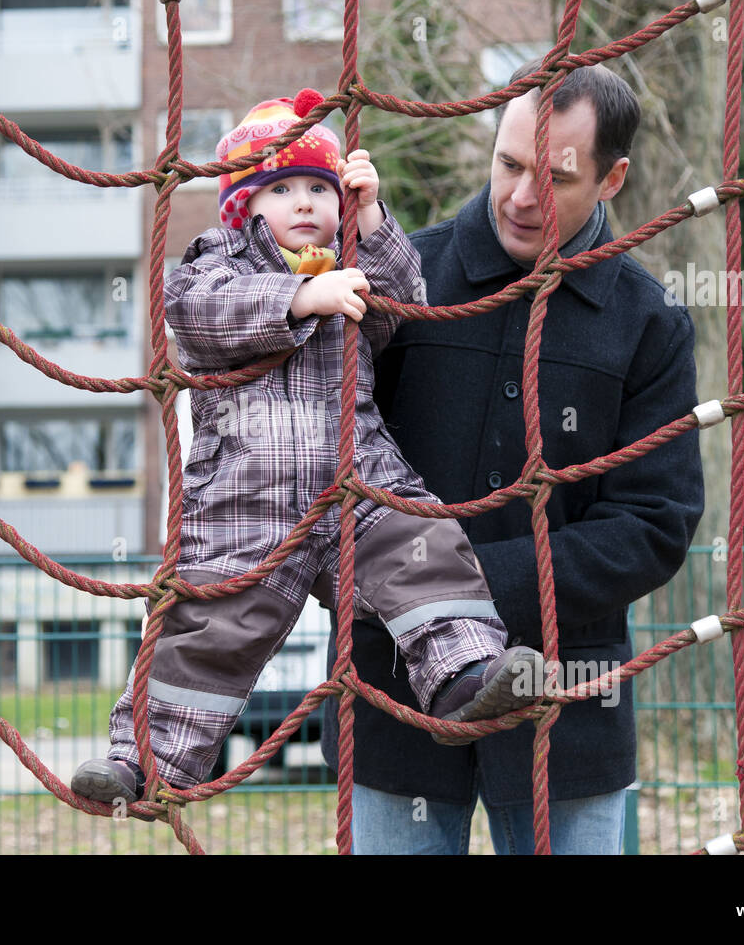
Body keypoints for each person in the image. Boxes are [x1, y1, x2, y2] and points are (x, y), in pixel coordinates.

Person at [70, 89, 544, 806]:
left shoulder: (350, 261)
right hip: (246, 499)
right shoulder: (219, 259)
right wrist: (297, 297)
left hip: (360, 481)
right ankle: (143, 763)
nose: (303, 203)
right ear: (244, 205)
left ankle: (464, 677)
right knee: (209, 631)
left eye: (319, 189)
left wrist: (372, 219)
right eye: (281, 188)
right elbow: (195, 315)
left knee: (428, 546)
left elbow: (402, 298)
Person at [322, 60, 706, 854]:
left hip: (566, 715)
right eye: (509, 164)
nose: (522, 197)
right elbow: (330, 468)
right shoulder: (399, 282)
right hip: (393, 697)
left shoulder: (648, 322)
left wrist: (465, 583)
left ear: (613, 179)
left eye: (556, 177)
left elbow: (655, 525)